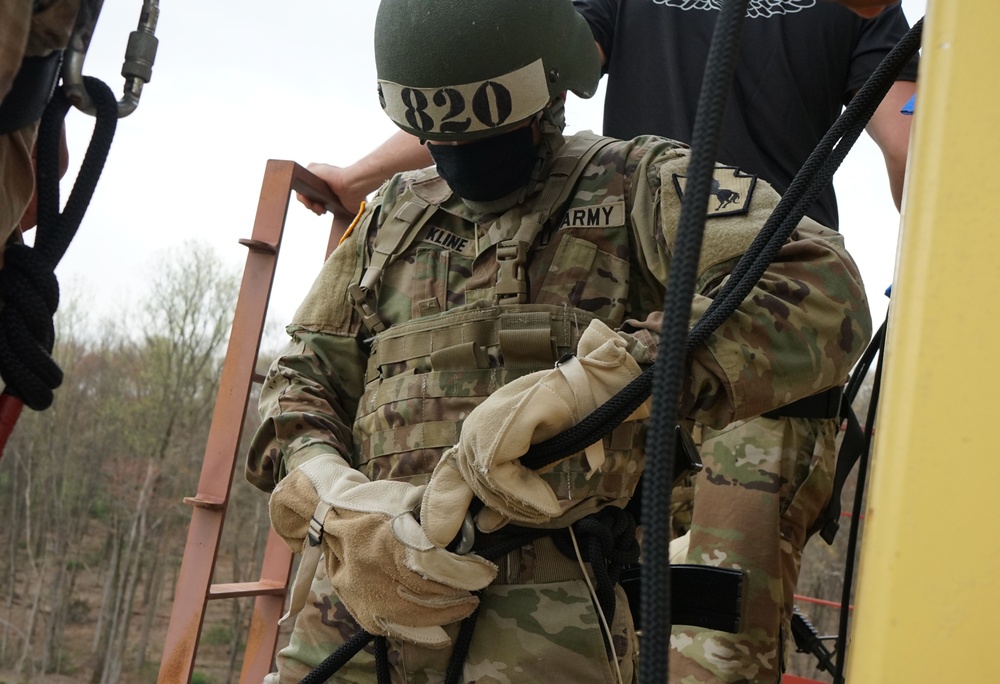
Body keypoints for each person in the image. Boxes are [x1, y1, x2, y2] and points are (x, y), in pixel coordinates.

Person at [247, 0, 872, 682]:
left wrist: (610, 382)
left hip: (558, 625)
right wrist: (333, 498)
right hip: (356, 620)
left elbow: (820, 282)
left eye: (485, 128)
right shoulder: (391, 220)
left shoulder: (638, 183)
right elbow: (298, 381)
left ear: (549, 91)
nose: (458, 156)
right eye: (438, 136)